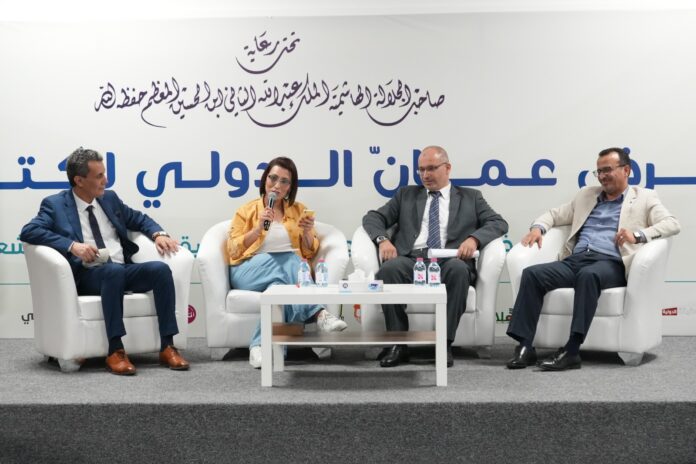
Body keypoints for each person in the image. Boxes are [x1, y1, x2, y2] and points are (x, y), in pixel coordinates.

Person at [506, 147, 681, 371]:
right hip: (576, 260)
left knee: (588, 276)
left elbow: (672, 224)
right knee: (532, 274)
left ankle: (571, 350)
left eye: (607, 170)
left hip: (611, 263)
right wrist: (538, 228)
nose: (602, 176)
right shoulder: (586, 195)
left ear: (626, 170)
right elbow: (554, 214)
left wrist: (637, 235)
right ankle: (525, 346)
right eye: (599, 171)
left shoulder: (645, 197)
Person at [20, 147, 189, 375]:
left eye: (104, 174)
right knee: (112, 272)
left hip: (121, 269)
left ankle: (167, 346)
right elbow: (29, 231)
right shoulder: (55, 205)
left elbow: (139, 219)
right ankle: (115, 350)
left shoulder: (110, 199)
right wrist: (72, 246)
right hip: (88, 275)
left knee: (160, 270)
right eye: (99, 176)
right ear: (79, 180)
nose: (105, 181)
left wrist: (159, 234)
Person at [362, 145, 508, 367]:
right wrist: (383, 240)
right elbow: (373, 217)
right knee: (388, 270)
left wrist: (474, 239)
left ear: (447, 168)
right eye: (421, 170)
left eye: (431, 168)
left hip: (450, 259)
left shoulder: (471, 197)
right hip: (413, 259)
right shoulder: (406, 195)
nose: (425, 175)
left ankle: (444, 343)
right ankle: (398, 344)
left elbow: (498, 223)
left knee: (459, 271)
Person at [227, 156, 347, 368]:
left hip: (286, 274)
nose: (277, 185)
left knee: (280, 290)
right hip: (247, 272)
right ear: (265, 180)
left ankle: (259, 348)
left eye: (284, 181)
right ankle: (319, 313)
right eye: (273, 178)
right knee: (292, 259)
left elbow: (310, 250)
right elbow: (233, 250)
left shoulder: (298, 210)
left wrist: (308, 232)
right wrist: (257, 229)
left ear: (290, 187)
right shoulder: (246, 211)